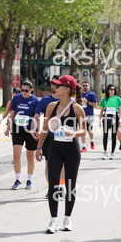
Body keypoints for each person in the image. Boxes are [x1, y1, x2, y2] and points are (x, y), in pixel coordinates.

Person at [36, 75, 87, 233]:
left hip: (72, 150)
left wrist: (75, 133)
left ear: (66, 89)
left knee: (70, 185)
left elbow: (84, 130)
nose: (54, 88)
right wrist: (38, 147)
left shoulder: (77, 108)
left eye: (58, 86)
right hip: (55, 148)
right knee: (54, 185)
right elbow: (45, 128)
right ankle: (53, 221)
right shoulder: (51, 106)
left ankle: (67, 219)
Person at [5, 81, 40, 190]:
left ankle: (29, 180)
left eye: (26, 90)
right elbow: (12, 114)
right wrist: (8, 128)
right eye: (22, 90)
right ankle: (18, 179)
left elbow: (37, 117)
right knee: (16, 155)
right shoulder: (16, 98)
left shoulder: (36, 101)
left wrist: (37, 130)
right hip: (17, 129)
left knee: (30, 156)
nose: (24, 92)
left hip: (30, 130)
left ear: (31, 90)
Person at [33, 76, 63, 199]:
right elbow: (37, 116)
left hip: (62, 136)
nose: (53, 87)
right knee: (49, 164)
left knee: (62, 164)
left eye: (56, 85)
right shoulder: (46, 100)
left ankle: (61, 188)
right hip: (48, 136)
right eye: (52, 84)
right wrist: (35, 129)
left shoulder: (66, 100)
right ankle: (51, 188)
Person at [97, 84, 121, 160]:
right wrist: (99, 119)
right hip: (106, 116)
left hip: (114, 116)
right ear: (108, 90)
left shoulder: (117, 98)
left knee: (113, 135)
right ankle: (105, 152)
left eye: (113, 89)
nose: (112, 91)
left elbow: (120, 109)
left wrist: (120, 118)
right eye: (111, 89)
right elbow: (102, 109)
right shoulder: (105, 99)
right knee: (105, 135)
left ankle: (112, 152)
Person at [80, 81, 98, 152]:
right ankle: (84, 146)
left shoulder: (92, 94)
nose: (85, 87)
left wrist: (87, 102)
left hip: (89, 114)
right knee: (82, 130)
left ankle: (92, 140)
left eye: (86, 85)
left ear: (89, 86)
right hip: (81, 114)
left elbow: (95, 104)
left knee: (89, 130)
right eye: (83, 85)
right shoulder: (80, 94)